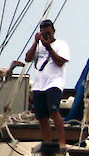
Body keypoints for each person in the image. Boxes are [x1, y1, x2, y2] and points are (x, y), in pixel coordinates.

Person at [25, 19, 70, 147]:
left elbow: (60, 62)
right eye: (44, 33)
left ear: (54, 32)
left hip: (54, 83)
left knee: (54, 111)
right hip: (39, 85)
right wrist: (36, 43)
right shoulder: (38, 46)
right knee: (41, 116)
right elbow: (27, 58)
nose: (46, 36)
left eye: (49, 33)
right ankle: (47, 142)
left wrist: (49, 47)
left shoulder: (61, 45)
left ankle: (62, 142)